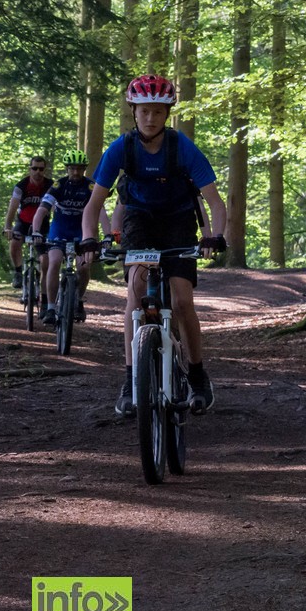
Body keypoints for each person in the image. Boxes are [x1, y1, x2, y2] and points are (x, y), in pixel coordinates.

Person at [81, 74, 227, 417]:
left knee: (182, 300)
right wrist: (89, 239)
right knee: (135, 291)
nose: (150, 118)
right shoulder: (121, 148)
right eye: (144, 111)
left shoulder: (182, 147)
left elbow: (215, 202)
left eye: (158, 112)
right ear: (134, 111)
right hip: (139, 219)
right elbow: (93, 205)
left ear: (167, 114)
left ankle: (197, 375)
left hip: (178, 220)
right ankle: (131, 380)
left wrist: (214, 236)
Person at [31, 148, 112, 326]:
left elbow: (101, 213)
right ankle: (51, 308)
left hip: (82, 232)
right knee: (54, 262)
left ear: (84, 169)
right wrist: (36, 231)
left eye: (79, 168)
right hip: (59, 231)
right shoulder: (58, 186)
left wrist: (108, 235)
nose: (76, 172)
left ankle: (78, 300)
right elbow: (42, 210)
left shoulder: (90, 187)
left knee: (84, 266)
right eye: (72, 168)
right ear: (67, 168)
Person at [3, 157, 53, 316]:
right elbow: (12, 208)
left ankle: (45, 302)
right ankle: (18, 272)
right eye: (34, 168)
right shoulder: (21, 186)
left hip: (43, 225)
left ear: (45, 170)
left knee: (46, 261)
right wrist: (7, 227)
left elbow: (57, 207)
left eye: (41, 169)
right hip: (23, 223)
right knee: (14, 242)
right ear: (29, 169)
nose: (37, 172)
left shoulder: (51, 185)